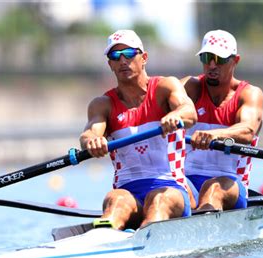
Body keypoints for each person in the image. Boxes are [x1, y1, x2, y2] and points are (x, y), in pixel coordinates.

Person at [80, 30, 197, 231]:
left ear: (144, 58)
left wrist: (175, 115)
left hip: (171, 187)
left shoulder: (165, 87)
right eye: (115, 56)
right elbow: (89, 133)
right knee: (114, 200)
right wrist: (92, 141)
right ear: (110, 65)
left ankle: (147, 235)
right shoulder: (103, 104)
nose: (123, 60)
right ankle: (105, 237)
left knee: (159, 201)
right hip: (127, 191)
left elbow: (190, 113)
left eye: (129, 53)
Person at [180, 29, 263, 211]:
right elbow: (152, 108)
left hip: (230, 183)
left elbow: (247, 131)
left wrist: (213, 135)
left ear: (235, 60)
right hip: (187, 180)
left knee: (213, 190)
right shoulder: (190, 88)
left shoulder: (249, 94)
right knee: (163, 192)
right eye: (206, 58)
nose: (211, 65)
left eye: (219, 59)